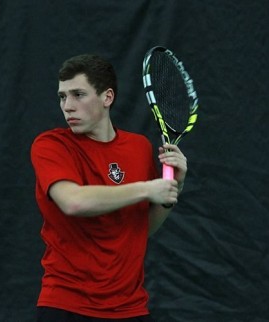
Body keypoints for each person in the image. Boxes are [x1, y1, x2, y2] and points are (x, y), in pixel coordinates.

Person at [30, 53, 188, 321]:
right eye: (62, 96)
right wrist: (148, 188)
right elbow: (74, 202)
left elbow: (140, 229)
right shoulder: (50, 146)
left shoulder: (139, 148)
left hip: (131, 308)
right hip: (67, 306)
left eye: (78, 94)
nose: (68, 106)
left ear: (107, 98)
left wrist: (175, 187)